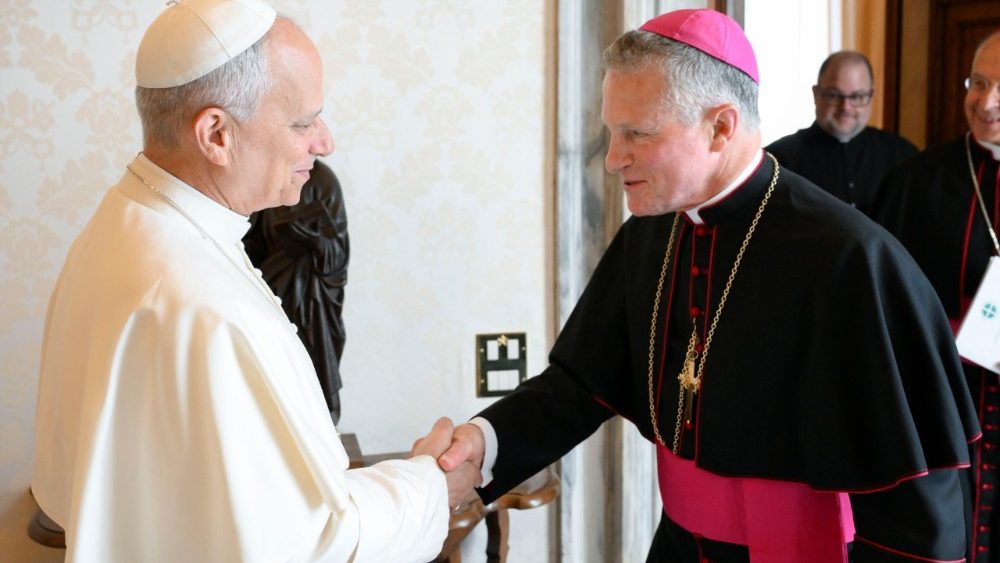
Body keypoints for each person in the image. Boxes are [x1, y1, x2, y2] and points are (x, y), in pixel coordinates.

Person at [429, 9, 979, 562]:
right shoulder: (652, 233)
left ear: (721, 126)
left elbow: (915, 499)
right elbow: (580, 385)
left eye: (636, 134)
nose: (613, 159)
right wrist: (483, 442)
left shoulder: (851, 259)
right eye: (610, 132)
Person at [30, 1, 478, 561]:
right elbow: (312, 545)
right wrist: (433, 486)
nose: (324, 141)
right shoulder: (202, 305)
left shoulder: (122, 223)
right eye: (302, 121)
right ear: (216, 133)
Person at [874, 30, 1000, 563]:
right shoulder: (912, 182)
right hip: (944, 411)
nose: (987, 102)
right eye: (979, 83)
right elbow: (873, 305)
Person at [244, 159, 350, 424]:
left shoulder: (324, 182)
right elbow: (249, 243)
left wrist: (309, 238)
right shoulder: (265, 177)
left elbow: (337, 255)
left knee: (315, 361)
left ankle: (320, 423)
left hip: (315, 300)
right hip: (271, 290)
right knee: (274, 365)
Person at [766, 51, 916, 217]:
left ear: (871, 96)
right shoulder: (777, 160)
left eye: (857, 96)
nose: (846, 107)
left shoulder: (902, 155)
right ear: (816, 94)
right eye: (834, 95)